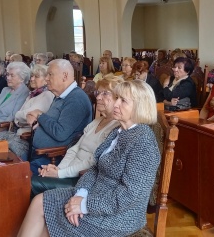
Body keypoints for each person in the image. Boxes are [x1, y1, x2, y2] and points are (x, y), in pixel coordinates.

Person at [18, 80, 160, 237]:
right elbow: (95, 168)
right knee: (39, 202)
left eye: (123, 100)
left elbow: (129, 196)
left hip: (118, 217)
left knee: (46, 225)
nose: (116, 104)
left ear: (139, 106)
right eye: (117, 98)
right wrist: (80, 194)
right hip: (94, 195)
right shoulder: (119, 132)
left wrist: (84, 205)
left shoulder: (143, 142)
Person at [30, 75, 123, 197]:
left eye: (105, 94)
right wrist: (58, 170)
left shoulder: (116, 127)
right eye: (98, 93)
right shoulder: (96, 122)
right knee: (27, 177)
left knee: (30, 183)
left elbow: (92, 161)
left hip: (83, 179)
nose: (98, 97)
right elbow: (74, 149)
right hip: (67, 172)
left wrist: (59, 174)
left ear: (118, 99)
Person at [26, 59, 93, 175]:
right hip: (39, 155)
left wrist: (40, 115)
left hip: (53, 159)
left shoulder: (76, 99)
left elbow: (60, 132)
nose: (46, 78)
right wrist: (39, 121)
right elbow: (54, 122)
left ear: (65, 76)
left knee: (12, 177)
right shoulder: (61, 96)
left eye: (50, 74)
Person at [0, 64, 54, 160]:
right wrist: (20, 117)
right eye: (32, 76)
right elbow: (20, 117)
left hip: (28, 140)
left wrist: (19, 117)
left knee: (1, 151)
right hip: (18, 134)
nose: (31, 79)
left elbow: (26, 116)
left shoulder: (46, 95)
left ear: (46, 79)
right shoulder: (33, 94)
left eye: (36, 76)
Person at [0, 62, 30, 136]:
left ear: (22, 78)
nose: (8, 78)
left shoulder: (25, 93)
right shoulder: (5, 90)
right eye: (8, 74)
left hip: (6, 131)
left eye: (12, 75)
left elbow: (13, 118)